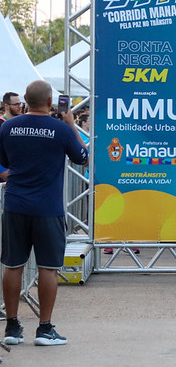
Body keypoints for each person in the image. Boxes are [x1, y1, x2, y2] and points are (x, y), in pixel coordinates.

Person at [1, 80, 88, 346]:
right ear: (51, 102)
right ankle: (44, 328)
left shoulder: (8, 127)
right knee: (48, 268)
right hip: (47, 207)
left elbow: (3, 162)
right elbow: (82, 157)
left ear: (25, 99)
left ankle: (13, 328)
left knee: (13, 265)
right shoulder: (60, 129)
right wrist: (70, 122)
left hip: (15, 203)